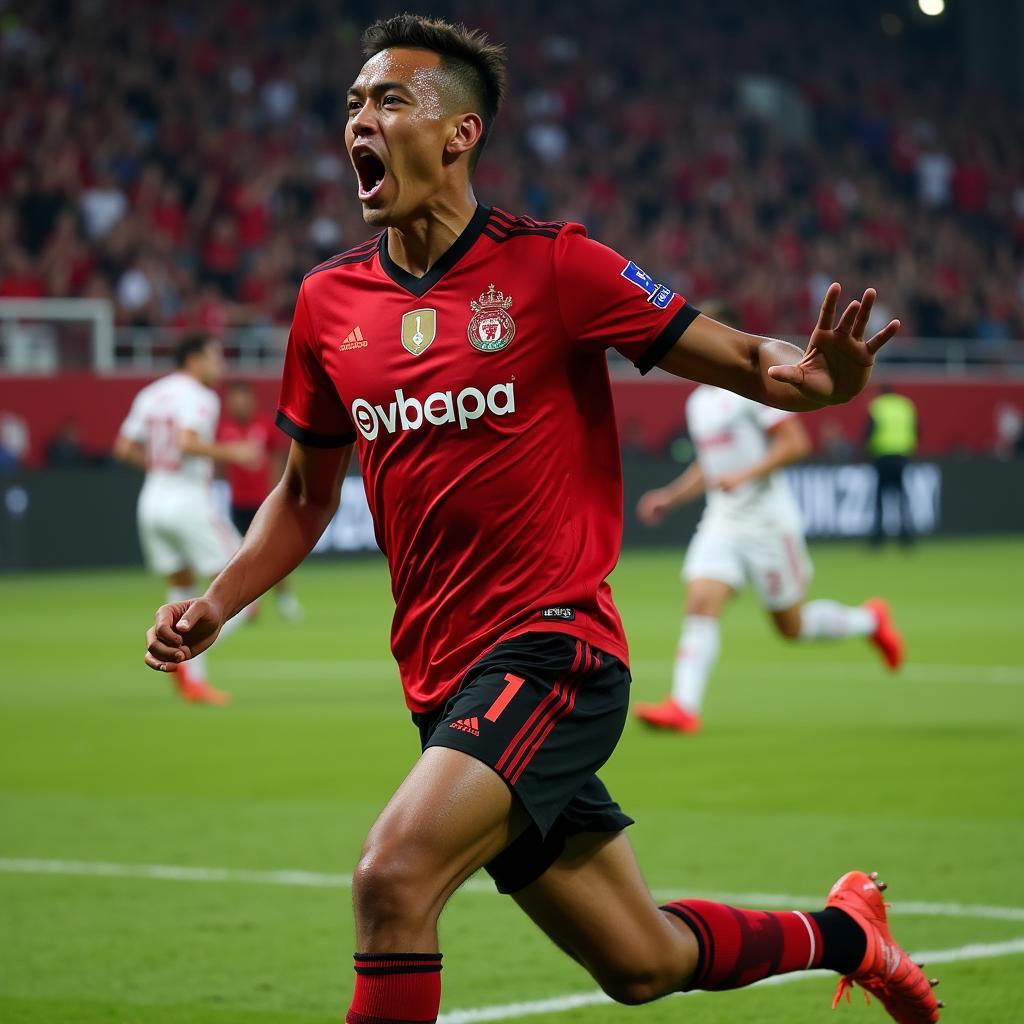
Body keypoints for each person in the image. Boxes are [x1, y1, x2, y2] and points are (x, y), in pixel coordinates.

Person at [142, 17, 940, 1024]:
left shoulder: (555, 268)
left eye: (388, 100)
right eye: (352, 104)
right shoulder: (327, 304)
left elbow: (740, 357)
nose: (360, 118)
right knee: (640, 961)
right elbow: (304, 495)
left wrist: (811, 380)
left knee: (391, 880)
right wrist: (215, 601)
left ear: (459, 133)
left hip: (554, 653)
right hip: (441, 679)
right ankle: (847, 931)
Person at [633, 301, 904, 735]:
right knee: (701, 600)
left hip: (768, 524)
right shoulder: (698, 403)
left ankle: (871, 620)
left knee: (791, 627)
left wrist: (744, 474)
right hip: (723, 523)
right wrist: (670, 497)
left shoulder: (754, 387)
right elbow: (709, 465)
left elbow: (795, 443)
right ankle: (684, 707)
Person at [115, 332, 260, 705]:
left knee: (181, 586)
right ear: (193, 359)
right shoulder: (200, 396)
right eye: (214, 357)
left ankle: (189, 681)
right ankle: (181, 655)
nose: (219, 366)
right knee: (245, 595)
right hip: (189, 500)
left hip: (152, 498)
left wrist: (161, 468)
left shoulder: (152, 392)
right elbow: (186, 441)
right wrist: (236, 453)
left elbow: (123, 447)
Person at [218, 380, 303, 621]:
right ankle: (246, 604)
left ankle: (285, 599)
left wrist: (277, 490)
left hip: (263, 502)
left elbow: (277, 459)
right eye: (235, 400)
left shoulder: (265, 426)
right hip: (237, 503)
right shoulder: (223, 430)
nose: (240, 404)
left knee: (273, 553)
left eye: (243, 398)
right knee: (238, 555)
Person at [866, 385, 918, 545]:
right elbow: (917, 429)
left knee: (880, 497)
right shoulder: (905, 406)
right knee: (902, 497)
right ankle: (906, 536)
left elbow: (869, 430)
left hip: (882, 456)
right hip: (902, 456)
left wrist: (865, 450)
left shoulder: (877, 406)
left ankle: (878, 537)